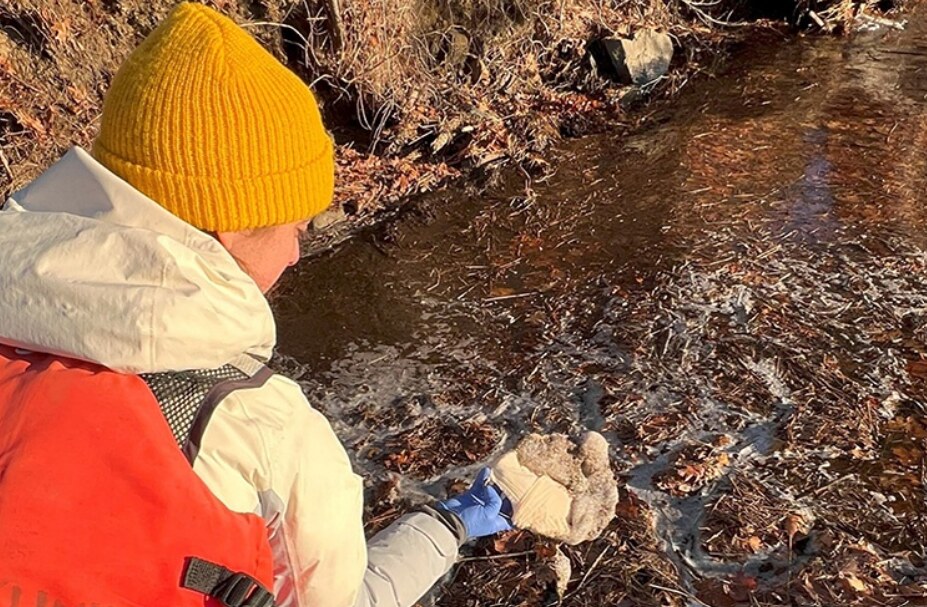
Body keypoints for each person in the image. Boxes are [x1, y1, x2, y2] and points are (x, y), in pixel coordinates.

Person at [0, 3, 515, 606]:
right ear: (232, 226)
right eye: (298, 228)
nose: (298, 256)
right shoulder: (262, 423)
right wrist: (447, 526)